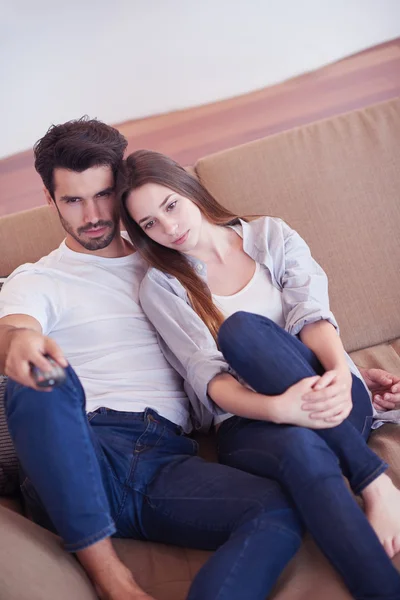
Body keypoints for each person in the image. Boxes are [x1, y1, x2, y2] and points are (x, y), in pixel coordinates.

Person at [0, 118, 314, 600]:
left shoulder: (173, 261)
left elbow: (259, 328)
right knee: (42, 372)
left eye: (103, 194)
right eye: (73, 200)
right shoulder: (40, 279)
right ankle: (111, 576)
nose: (93, 215)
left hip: (164, 459)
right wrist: (16, 343)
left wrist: (335, 375)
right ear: (50, 200)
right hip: (83, 450)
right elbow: (15, 327)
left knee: (277, 510)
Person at [117, 148, 400, 599]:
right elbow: (208, 378)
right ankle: (376, 510)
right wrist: (278, 408)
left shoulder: (272, 236)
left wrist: (341, 374)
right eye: (149, 223)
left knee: (244, 332)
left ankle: (367, 478)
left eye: (170, 205)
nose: (168, 228)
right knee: (298, 443)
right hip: (250, 425)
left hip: (335, 395)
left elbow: (313, 316)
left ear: (189, 189)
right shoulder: (163, 285)